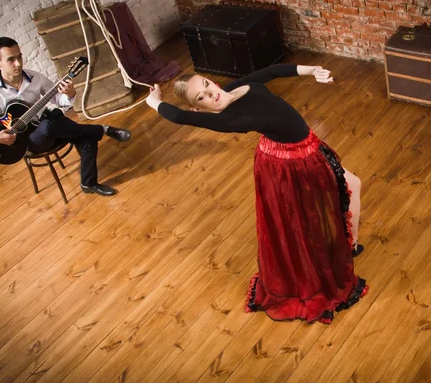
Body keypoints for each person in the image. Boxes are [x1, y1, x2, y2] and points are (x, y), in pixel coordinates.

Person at [145, 64, 368, 323]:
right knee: (343, 190)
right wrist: (154, 102)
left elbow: (271, 72)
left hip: (300, 148)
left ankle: (346, 246)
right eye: (201, 98)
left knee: (341, 191)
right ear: (198, 108)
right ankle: (346, 249)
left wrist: (312, 70)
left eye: (206, 84)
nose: (210, 93)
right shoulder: (227, 119)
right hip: (293, 162)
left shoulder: (231, 89)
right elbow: (179, 117)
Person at [0, 37, 131, 196]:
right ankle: (102, 129)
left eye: (19, 57)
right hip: (27, 140)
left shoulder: (34, 77)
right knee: (49, 126)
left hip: (52, 124)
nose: (18, 63)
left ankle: (89, 184)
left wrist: (70, 94)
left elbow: (59, 100)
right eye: (11, 59)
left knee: (85, 137)